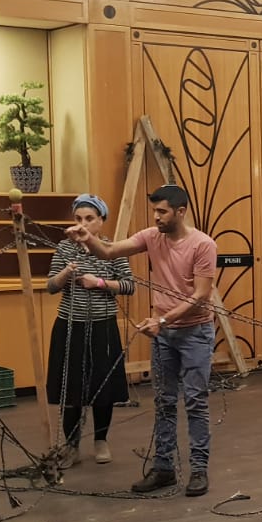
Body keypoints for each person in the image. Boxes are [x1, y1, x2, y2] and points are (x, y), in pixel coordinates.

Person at [68, 184, 217, 497]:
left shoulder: (203, 245)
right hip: (164, 334)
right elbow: (109, 252)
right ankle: (164, 469)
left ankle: (199, 470)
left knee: (195, 401)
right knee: (164, 402)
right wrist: (87, 238)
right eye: (154, 211)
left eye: (162, 211)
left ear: (181, 212)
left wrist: (162, 320)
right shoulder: (151, 236)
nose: (156, 217)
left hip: (195, 333)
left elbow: (201, 295)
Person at [45, 194, 135, 466]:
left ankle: (100, 441)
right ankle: (71, 445)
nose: (83, 223)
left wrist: (99, 283)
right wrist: (66, 273)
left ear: (101, 221)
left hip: (102, 326)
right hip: (69, 325)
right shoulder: (64, 248)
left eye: (89, 218)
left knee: (102, 387)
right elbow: (51, 286)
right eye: (78, 218)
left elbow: (129, 285)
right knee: (70, 388)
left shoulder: (112, 249)